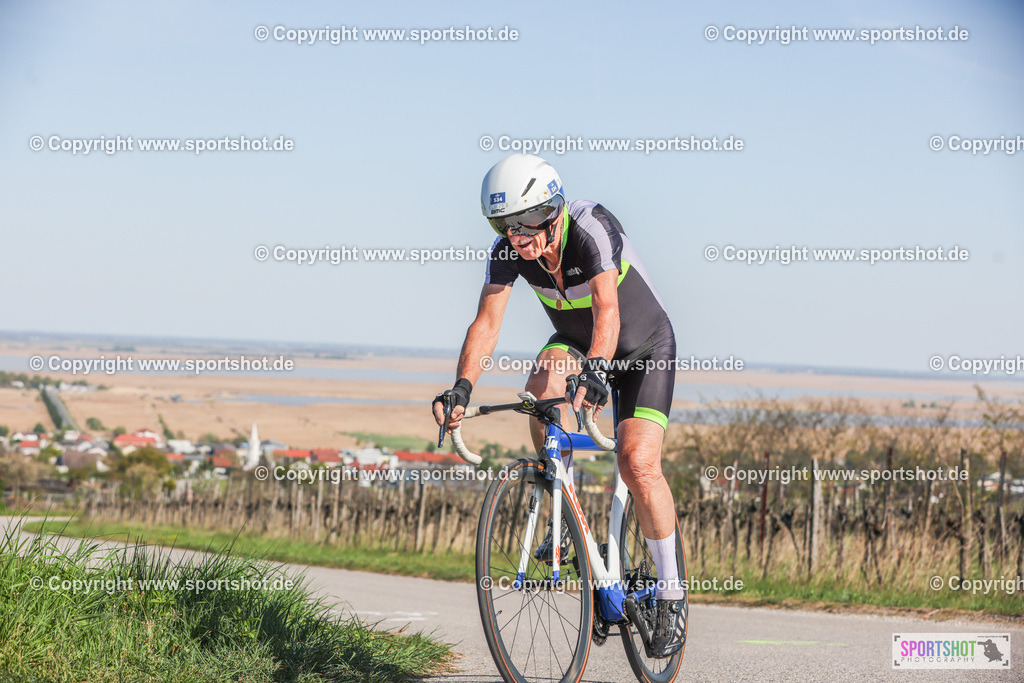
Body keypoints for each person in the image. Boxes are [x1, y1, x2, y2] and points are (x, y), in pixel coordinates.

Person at [432, 153, 684, 658]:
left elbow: (607, 311)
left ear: (552, 210)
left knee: (637, 462)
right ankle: (561, 506)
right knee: (541, 392)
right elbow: (486, 324)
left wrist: (597, 370)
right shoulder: (509, 252)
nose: (515, 236)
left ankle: (671, 594)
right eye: (502, 224)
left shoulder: (590, 227)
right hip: (574, 342)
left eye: (524, 223)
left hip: (641, 348)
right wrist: (462, 387)